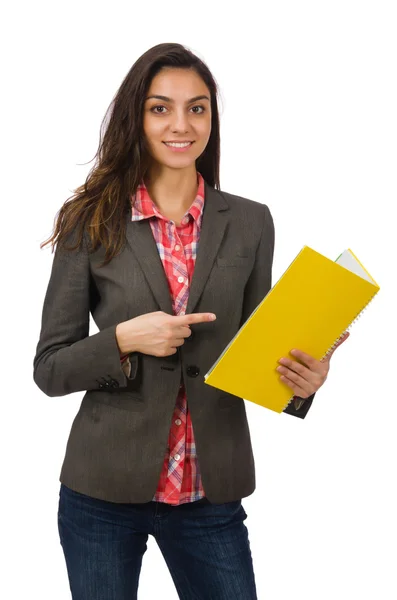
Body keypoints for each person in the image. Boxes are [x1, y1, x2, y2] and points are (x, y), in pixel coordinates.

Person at [33, 42, 349, 600]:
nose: (181, 124)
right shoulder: (90, 221)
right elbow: (51, 368)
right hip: (102, 491)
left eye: (197, 108)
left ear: (211, 118)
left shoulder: (251, 222)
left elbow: (257, 350)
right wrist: (126, 339)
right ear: (138, 117)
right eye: (161, 108)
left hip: (209, 492)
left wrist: (303, 381)